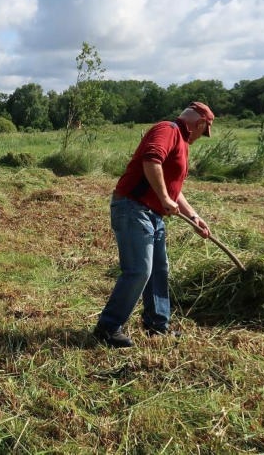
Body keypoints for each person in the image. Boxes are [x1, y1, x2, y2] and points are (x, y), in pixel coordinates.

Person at [93, 102, 215, 348]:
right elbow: (152, 161)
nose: (202, 137)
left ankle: (157, 325)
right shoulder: (168, 130)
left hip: (152, 213)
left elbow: (173, 190)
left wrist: (193, 217)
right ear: (200, 124)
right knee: (139, 270)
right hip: (133, 208)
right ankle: (108, 328)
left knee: (159, 270)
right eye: (204, 132)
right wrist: (164, 198)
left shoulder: (181, 141)